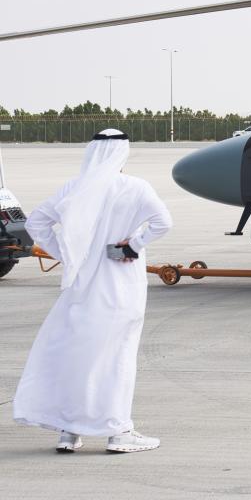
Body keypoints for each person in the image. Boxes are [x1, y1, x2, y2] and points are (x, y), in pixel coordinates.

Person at [13, 129, 173, 454]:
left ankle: (69, 432)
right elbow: (163, 222)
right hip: (119, 289)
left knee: (77, 356)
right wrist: (133, 245)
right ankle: (118, 432)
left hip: (79, 289)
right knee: (116, 357)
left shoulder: (75, 188)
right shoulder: (136, 187)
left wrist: (68, 254)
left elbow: (36, 224)